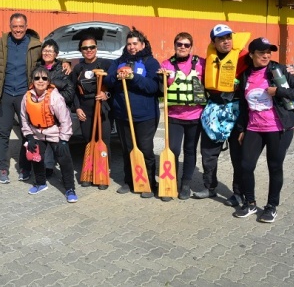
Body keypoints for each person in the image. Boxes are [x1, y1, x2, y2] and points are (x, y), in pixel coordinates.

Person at [233, 37, 294, 222]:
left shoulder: (279, 71)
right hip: (254, 128)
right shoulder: (245, 75)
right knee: (245, 166)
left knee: (274, 167)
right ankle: (249, 203)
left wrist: (279, 91)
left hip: (279, 128)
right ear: (251, 55)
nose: (266, 56)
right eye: (261, 52)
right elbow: (243, 105)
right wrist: (242, 128)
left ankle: (271, 206)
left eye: (268, 52)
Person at [193, 24, 249, 205]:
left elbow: (263, 68)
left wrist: (287, 72)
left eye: (228, 38)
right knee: (208, 152)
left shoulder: (243, 58)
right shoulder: (208, 59)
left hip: (236, 109)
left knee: (238, 155)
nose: (226, 41)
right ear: (214, 42)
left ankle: (239, 193)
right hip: (214, 109)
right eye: (221, 39)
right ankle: (209, 187)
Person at [105, 27, 160, 198]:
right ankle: (129, 181)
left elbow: (153, 87)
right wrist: (117, 74)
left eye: (135, 43)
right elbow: (108, 80)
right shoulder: (119, 61)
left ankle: (149, 183)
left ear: (142, 44)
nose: (131, 47)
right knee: (127, 149)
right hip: (123, 115)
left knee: (145, 149)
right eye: (129, 44)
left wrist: (133, 78)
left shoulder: (150, 62)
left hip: (145, 116)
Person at [0, 13, 42, 184]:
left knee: (26, 133)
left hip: (24, 95)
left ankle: (24, 167)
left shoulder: (35, 45)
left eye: (21, 26)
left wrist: (64, 62)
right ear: (10, 26)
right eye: (15, 26)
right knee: (3, 133)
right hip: (5, 95)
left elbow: (50, 58)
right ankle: (2, 168)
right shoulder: (1, 43)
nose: (18, 30)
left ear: (26, 27)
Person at [159, 32, 206, 201]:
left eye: (186, 45)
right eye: (179, 44)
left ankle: (185, 184)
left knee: (190, 150)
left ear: (191, 47)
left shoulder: (201, 63)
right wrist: (160, 78)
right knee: (173, 150)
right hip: (174, 116)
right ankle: (170, 183)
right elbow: (159, 89)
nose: (183, 47)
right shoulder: (166, 65)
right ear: (175, 45)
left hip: (195, 116)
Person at [20, 66, 78, 203]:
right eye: (37, 78)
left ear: (48, 81)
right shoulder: (26, 97)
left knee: (64, 159)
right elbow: (23, 118)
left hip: (55, 133)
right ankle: (40, 183)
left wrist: (64, 139)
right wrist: (29, 136)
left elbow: (65, 119)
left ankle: (70, 188)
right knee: (37, 158)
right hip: (36, 133)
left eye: (44, 78)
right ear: (32, 80)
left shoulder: (55, 97)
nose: (40, 81)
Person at [21, 39, 75, 181]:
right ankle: (46, 167)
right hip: (40, 111)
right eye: (45, 50)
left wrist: (51, 100)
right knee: (44, 142)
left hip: (57, 111)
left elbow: (70, 92)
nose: (47, 53)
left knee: (58, 145)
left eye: (50, 51)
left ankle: (63, 174)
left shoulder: (63, 68)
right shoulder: (37, 68)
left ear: (56, 54)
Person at [71, 34, 112, 189]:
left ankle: (102, 173)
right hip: (85, 108)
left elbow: (115, 87)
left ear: (96, 48)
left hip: (102, 107)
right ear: (81, 51)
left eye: (92, 47)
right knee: (89, 140)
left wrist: (106, 95)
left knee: (104, 141)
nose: (88, 50)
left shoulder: (106, 65)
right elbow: (73, 90)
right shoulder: (78, 68)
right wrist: (78, 107)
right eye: (85, 48)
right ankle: (89, 171)